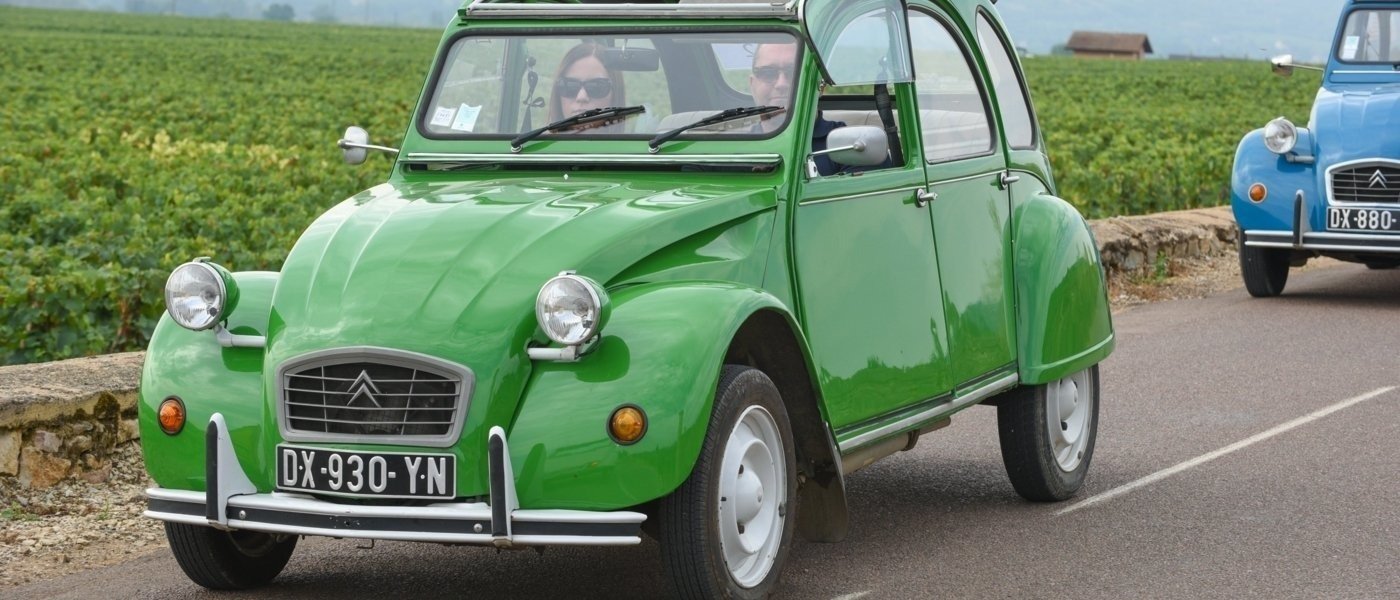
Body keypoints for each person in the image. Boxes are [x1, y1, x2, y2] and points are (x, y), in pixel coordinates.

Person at [748, 42, 847, 175]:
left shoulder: (847, 146)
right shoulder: (732, 149)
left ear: (820, 86)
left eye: (794, 72)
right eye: (768, 73)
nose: (781, 84)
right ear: (752, 84)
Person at [548, 42, 627, 133]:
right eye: (570, 86)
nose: (581, 97)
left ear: (615, 95)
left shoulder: (641, 144)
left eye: (596, 87)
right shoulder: (534, 145)